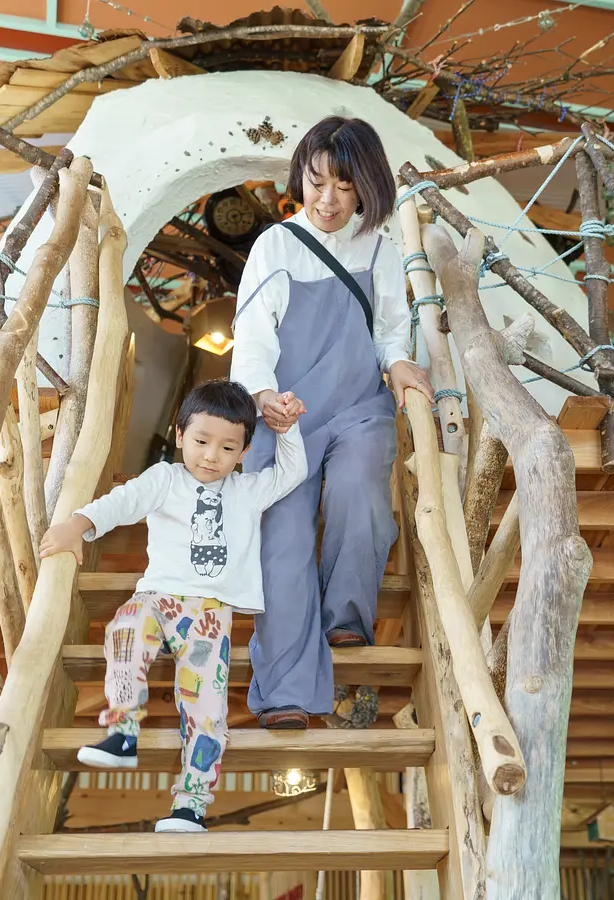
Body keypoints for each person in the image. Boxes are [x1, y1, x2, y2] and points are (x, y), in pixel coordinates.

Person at [230, 115, 434, 730]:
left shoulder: (381, 247)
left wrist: (399, 366)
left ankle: (345, 617)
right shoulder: (276, 245)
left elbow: (390, 328)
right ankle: (285, 690)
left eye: (343, 186)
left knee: (362, 495)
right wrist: (262, 394)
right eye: (317, 181)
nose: (327, 198)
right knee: (284, 541)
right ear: (302, 179)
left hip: (356, 407)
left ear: (365, 187)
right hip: (284, 416)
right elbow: (252, 334)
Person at [38, 379, 306, 833]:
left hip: (208, 615)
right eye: (201, 441)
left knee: (207, 708)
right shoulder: (165, 478)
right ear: (179, 435)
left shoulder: (248, 490)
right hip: (156, 598)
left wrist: (288, 427)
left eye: (227, 447)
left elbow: (291, 472)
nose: (210, 456)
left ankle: (191, 806)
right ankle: (122, 731)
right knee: (124, 628)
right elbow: (123, 502)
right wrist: (78, 525)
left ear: (242, 453)